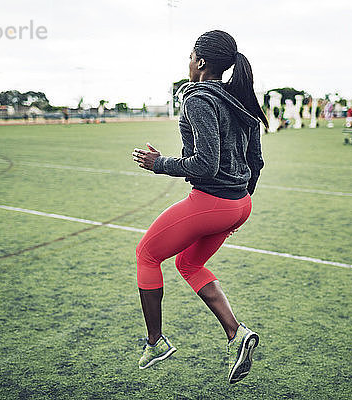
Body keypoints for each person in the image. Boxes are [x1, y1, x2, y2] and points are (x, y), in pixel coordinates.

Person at [131, 30, 267, 384]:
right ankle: (237, 334)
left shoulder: (199, 99)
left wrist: (159, 163)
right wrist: (241, 200)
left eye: (190, 56)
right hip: (239, 204)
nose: (188, 62)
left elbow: (205, 164)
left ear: (201, 62)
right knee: (188, 263)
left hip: (214, 202)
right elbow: (257, 161)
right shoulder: (238, 100)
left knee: (146, 255)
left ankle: (155, 342)